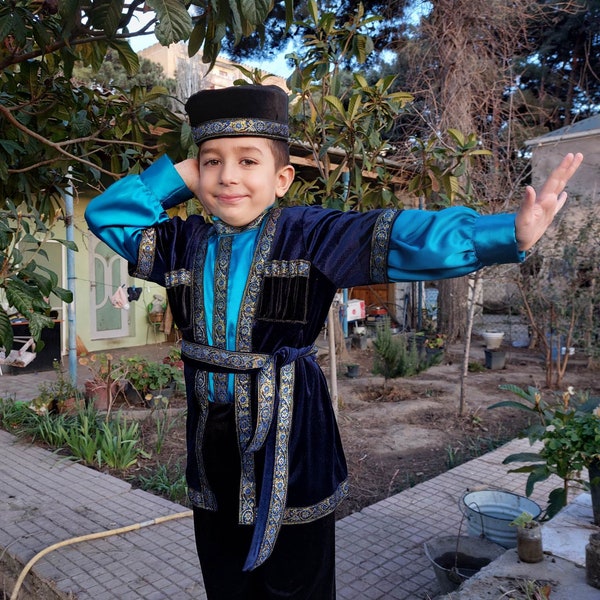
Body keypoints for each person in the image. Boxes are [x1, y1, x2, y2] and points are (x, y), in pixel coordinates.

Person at [85, 84, 583, 599]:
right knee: (222, 565)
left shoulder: (310, 233)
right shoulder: (181, 241)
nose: (228, 175)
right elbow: (107, 215)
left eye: (247, 160)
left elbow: (401, 235)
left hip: (291, 433)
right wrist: (182, 175)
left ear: (282, 179)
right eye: (212, 162)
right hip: (211, 443)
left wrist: (507, 235)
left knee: (297, 572)